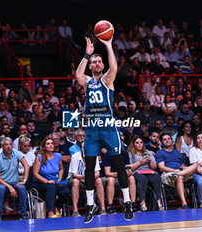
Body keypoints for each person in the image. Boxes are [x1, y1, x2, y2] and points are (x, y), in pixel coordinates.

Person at [75, 36, 133, 222]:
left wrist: (108, 45)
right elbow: (77, 75)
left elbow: (114, 68)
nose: (97, 63)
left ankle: (127, 202)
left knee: (118, 163)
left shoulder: (107, 80)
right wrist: (87, 55)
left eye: (99, 61)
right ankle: (91, 205)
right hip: (92, 129)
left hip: (108, 126)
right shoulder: (87, 82)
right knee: (90, 167)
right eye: (94, 62)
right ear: (91, 66)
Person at [67, 129, 105, 216]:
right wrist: (87, 177)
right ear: (81, 149)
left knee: (98, 180)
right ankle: (75, 211)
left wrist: (89, 177)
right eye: (84, 148)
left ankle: (103, 209)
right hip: (76, 179)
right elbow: (74, 174)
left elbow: (97, 173)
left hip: (88, 178)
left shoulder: (94, 156)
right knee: (76, 182)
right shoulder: (75, 156)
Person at [0, 137, 30, 221]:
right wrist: (10, 187)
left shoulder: (16, 153)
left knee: (22, 187)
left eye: (10, 144)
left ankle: (23, 214)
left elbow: (26, 166)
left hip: (15, 182)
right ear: (2, 147)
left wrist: (24, 180)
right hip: (2, 183)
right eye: (6, 145)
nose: (9, 146)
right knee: (1, 188)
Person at [156, 133, 197, 209]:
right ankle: (184, 203)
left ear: (172, 141)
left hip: (181, 172)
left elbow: (182, 165)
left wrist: (183, 168)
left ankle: (181, 173)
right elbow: (162, 167)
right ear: (161, 142)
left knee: (194, 166)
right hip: (168, 174)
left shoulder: (177, 152)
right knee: (179, 176)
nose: (167, 140)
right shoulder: (160, 152)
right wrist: (175, 171)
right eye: (164, 139)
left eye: (168, 139)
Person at [32, 137, 70, 218]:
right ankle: (50, 212)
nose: (50, 145)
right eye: (48, 144)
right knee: (51, 186)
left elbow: (61, 169)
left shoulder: (58, 156)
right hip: (40, 183)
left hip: (54, 182)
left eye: (52, 143)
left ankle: (57, 207)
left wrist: (59, 178)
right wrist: (47, 181)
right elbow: (35, 173)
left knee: (66, 190)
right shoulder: (39, 157)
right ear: (44, 147)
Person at [128, 135, 163, 211]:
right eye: (137, 143)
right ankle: (142, 202)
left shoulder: (148, 152)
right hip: (137, 172)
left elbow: (154, 167)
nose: (139, 144)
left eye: (141, 142)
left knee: (157, 178)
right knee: (142, 179)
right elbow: (129, 167)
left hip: (148, 171)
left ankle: (158, 201)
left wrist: (150, 162)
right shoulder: (130, 153)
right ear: (133, 144)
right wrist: (139, 163)